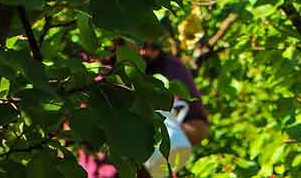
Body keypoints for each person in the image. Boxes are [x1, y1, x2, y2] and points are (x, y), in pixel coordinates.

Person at [77, 42, 210, 178]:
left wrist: (167, 134)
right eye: (143, 44)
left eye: (154, 46)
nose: (147, 52)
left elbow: (200, 127)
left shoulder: (172, 68)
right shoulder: (93, 61)